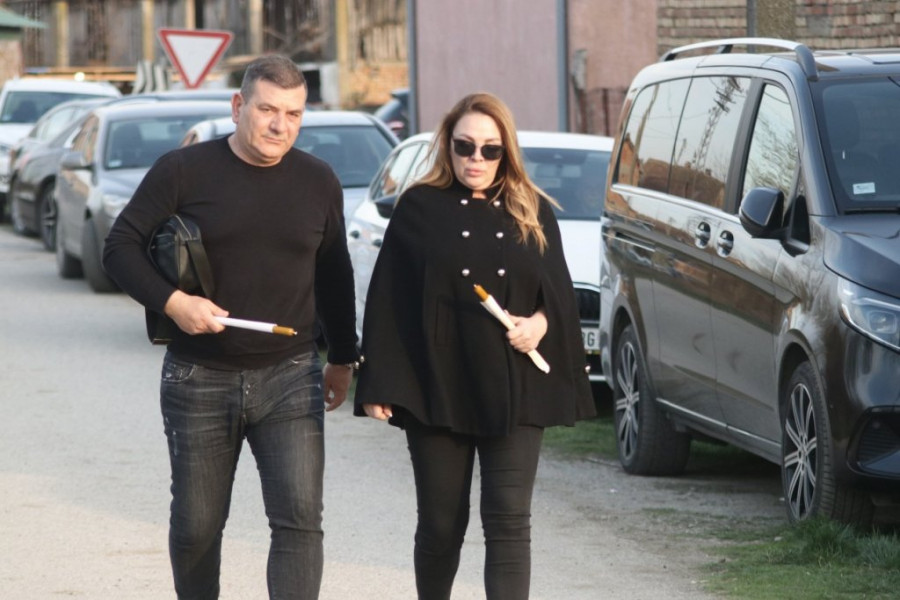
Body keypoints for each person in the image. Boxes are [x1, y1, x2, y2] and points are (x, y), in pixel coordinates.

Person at [102, 55, 359, 599]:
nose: (279, 125)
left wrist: (342, 356)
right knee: (197, 527)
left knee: (299, 521)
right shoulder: (182, 170)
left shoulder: (318, 180)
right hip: (198, 375)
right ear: (239, 106)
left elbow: (335, 273)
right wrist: (175, 303)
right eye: (267, 110)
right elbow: (119, 247)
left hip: (291, 375)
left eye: (293, 114)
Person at [354, 92, 596, 600]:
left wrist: (539, 324)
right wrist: (378, 382)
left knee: (509, 519)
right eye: (465, 146)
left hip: (515, 380)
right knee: (441, 523)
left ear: (506, 152)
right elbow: (388, 300)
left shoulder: (532, 209)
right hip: (437, 381)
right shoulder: (418, 207)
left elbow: (557, 293)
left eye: (490, 149)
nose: (476, 159)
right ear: (448, 145)